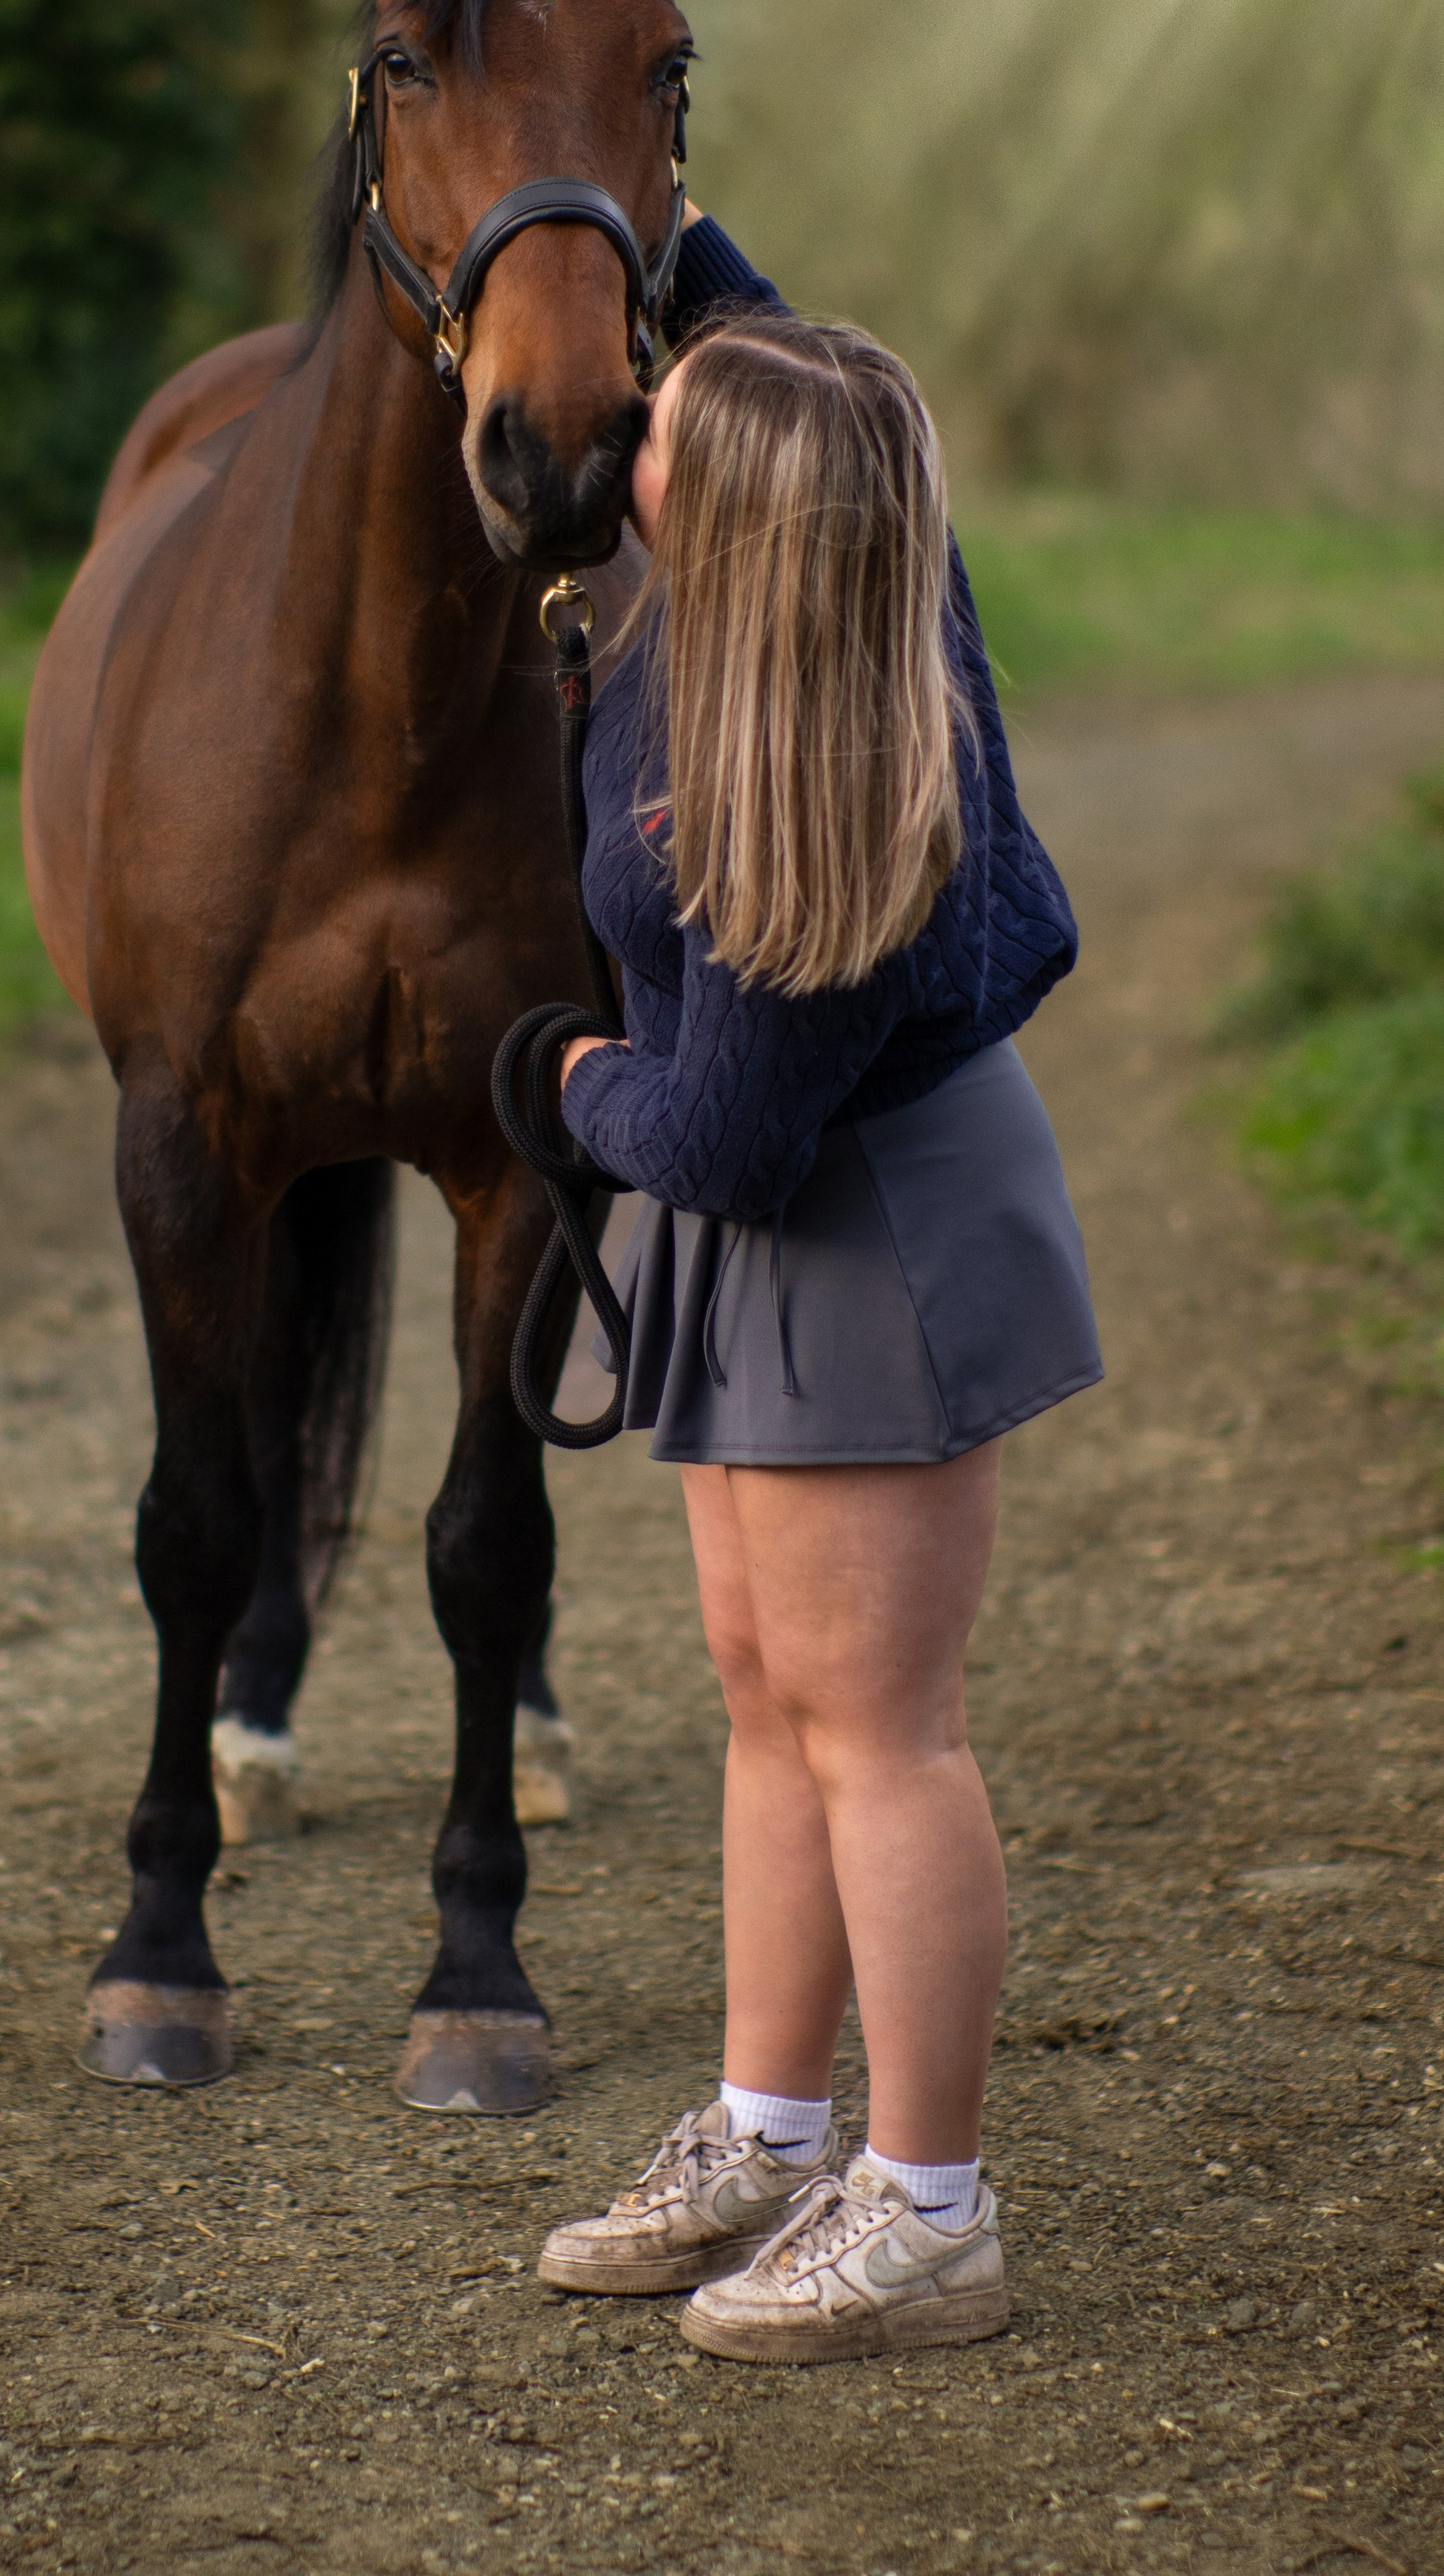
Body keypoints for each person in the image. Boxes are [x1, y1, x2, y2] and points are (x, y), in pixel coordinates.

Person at [534, 214, 1101, 2367]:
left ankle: (931, 2206)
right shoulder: (830, 555)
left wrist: (566, 1076)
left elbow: (723, 1143)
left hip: (856, 1217)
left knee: (882, 1726)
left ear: (729, 515)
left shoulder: (798, 801)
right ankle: (770, 2130)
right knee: (765, 1683)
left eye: (660, 425)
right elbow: (781, 367)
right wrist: (641, 209)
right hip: (763, 1223)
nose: (631, 424)